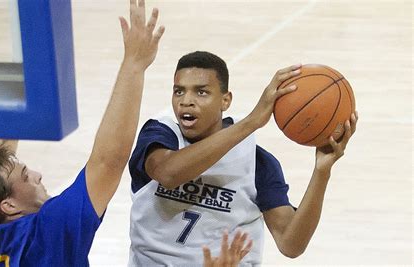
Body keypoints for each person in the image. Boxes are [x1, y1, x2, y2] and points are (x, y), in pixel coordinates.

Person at [0, 0, 165, 265]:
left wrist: (34, 57)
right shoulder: (49, 232)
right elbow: (108, 162)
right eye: (26, 176)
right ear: (9, 206)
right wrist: (135, 64)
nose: (38, 176)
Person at [128, 51, 358, 266]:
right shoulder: (161, 135)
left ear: (225, 101)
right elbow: (169, 174)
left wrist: (321, 172)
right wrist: (252, 121)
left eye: (201, 92)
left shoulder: (257, 162)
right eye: (179, 91)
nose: (186, 101)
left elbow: (291, 244)